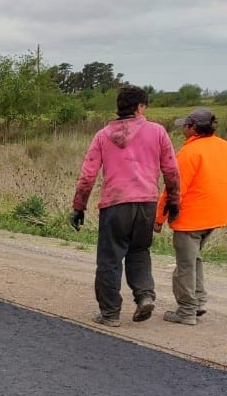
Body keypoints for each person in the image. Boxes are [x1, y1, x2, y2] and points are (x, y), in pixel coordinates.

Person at [71, 85, 180, 327]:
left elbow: (87, 176)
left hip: (115, 204)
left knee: (110, 259)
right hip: (147, 203)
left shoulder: (102, 135)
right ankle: (144, 296)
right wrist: (173, 200)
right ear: (140, 107)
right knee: (139, 252)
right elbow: (171, 170)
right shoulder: (158, 132)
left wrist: (79, 206)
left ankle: (110, 314)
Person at [154, 108, 227, 325]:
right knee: (193, 258)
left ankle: (186, 311)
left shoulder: (189, 153)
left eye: (185, 125)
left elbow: (174, 189)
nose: (183, 129)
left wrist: (159, 217)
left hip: (191, 218)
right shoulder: (223, 147)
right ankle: (199, 302)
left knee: (185, 265)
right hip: (215, 215)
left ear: (193, 128)